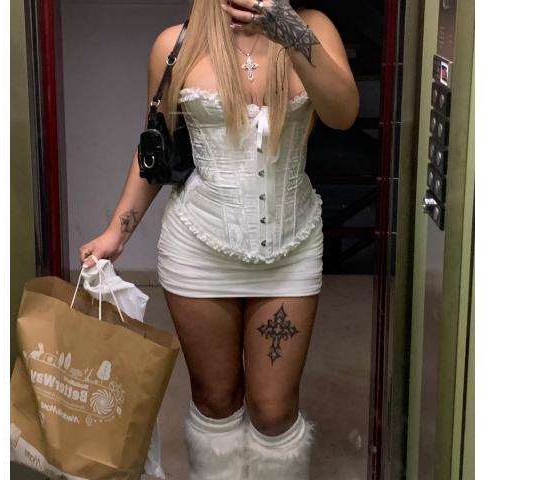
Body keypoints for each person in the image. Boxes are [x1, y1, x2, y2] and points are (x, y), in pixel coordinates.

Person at [79, 1, 359, 478]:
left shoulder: (313, 28)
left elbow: (343, 114)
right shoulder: (176, 44)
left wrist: (288, 30)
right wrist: (117, 232)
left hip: (291, 250)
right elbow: (154, 146)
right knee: (215, 399)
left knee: (273, 410)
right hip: (198, 248)